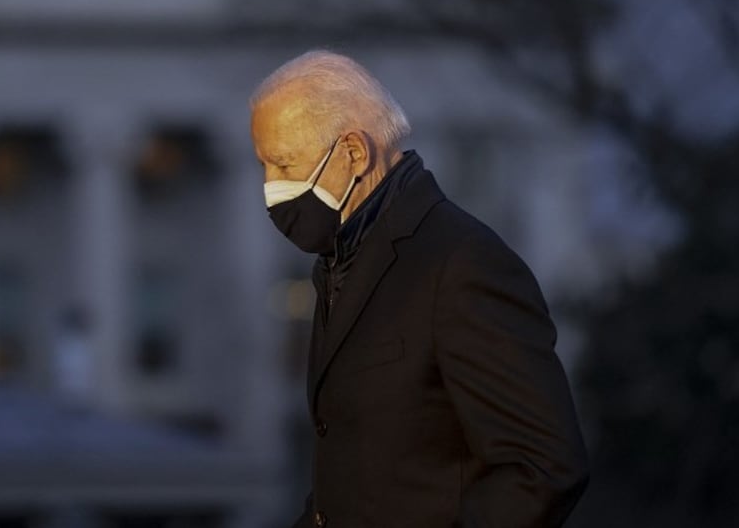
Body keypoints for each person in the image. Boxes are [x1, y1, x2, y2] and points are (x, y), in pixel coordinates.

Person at [250, 51, 590, 527]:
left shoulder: (461, 262)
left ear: (353, 153)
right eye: (264, 166)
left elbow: (542, 464)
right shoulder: (340, 264)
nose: (270, 188)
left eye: (283, 165)